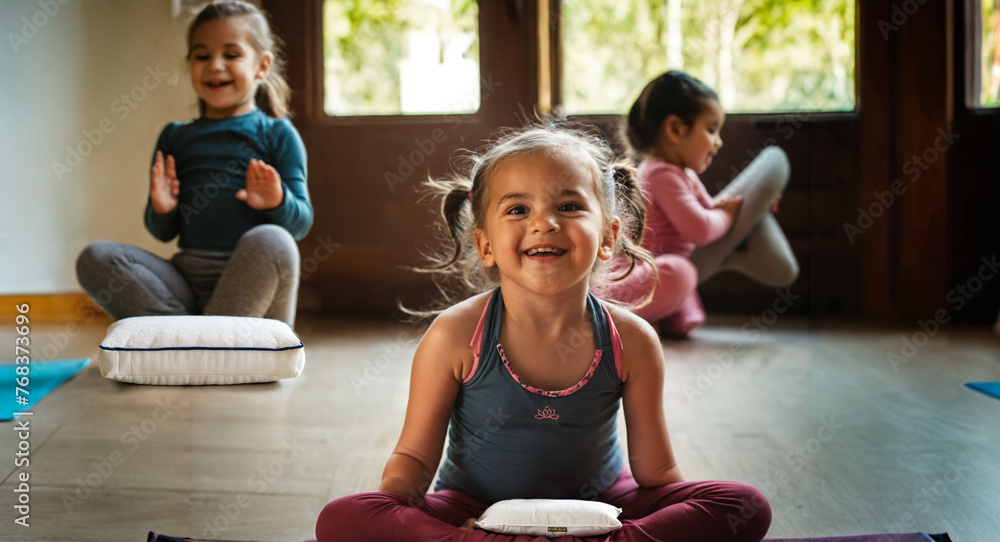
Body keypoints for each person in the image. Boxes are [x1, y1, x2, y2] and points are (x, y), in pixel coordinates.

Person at [315, 125, 771, 541]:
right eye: (517, 208)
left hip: (604, 506)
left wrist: (661, 517)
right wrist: (397, 508)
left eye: (569, 206)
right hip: (475, 509)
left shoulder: (631, 339)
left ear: (609, 235)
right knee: (340, 518)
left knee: (745, 504)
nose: (544, 222)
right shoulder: (454, 335)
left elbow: (658, 474)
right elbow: (413, 461)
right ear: (485, 244)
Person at [75, 0, 311, 327]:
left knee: (275, 240)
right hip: (186, 282)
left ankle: (191, 341)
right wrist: (162, 208)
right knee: (95, 258)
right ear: (190, 65)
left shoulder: (277, 134)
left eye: (231, 55)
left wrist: (278, 201)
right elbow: (162, 232)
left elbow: (301, 223)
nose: (215, 65)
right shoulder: (175, 136)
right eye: (202, 56)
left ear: (262, 66)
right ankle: (201, 340)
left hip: (252, 297)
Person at [604, 70, 798, 338]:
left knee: (683, 321)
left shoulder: (683, 173)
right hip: (642, 273)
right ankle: (618, 313)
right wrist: (730, 217)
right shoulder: (659, 173)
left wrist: (754, 207)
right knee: (680, 272)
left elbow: (711, 211)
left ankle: (645, 316)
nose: (718, 142)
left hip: (672, 266)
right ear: (675, 129)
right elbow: (701, 228)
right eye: (711, 130)